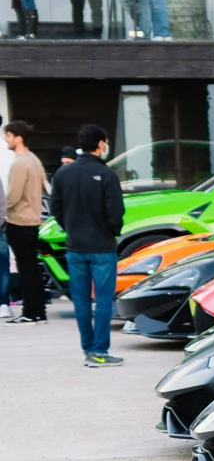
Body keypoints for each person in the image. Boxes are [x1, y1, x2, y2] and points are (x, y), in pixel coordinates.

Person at [51, 124, 122, 365]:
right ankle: (100, 352)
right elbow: (115, 213)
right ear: (101, 143)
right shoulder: (107, 174)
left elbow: (55, 210)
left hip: (74, 247)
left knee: (81, 301)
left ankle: (88, 349)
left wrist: (70, 228)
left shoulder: (62, 173)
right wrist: (112, 232)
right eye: (106, 141)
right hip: (102, 246)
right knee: (103, 300)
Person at [2, 121, 47, 323]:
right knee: (32, 268)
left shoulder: (20, 162)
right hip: (32, 220)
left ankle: (30, 312)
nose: (5, 139)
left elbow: (12, 196)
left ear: (18, 138)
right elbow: (44, 186)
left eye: (8, 135)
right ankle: (38, 311)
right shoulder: (34, 160)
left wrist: (2, 211)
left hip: (19, 221)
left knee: (25, 269)